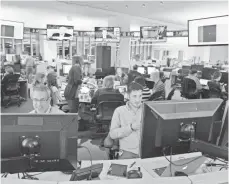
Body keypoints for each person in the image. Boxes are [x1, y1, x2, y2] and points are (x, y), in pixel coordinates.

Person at [109, 82, 143, 159]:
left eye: (140, 96)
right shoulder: (119, 111)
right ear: (128, 96)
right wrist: (130, 128)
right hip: (127, 151)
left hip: (145, 150)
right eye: (134, 96)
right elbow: (112, 134)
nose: (138, 100)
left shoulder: (147, 110)